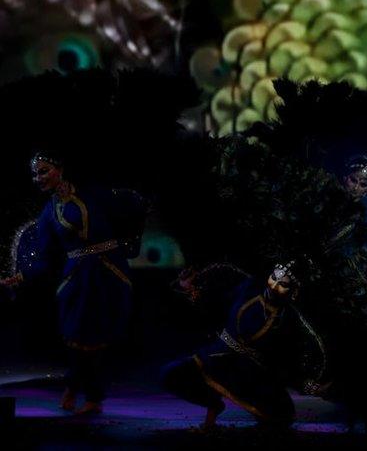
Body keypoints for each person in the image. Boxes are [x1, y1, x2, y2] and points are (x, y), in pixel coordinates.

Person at [1, 152, 145, 415]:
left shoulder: (94, 194)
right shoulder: (48, 213)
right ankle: (78, 388)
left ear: (60, 168)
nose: (38, 178)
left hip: (108, 273)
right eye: (35, 174)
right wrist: (21, 276)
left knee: (97, 339)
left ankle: (90, 397)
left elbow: (130, 210)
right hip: (77, 279)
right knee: (77, 337)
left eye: (43, 171)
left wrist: (127, 245)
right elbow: (45, 260)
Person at [161, 262, 327, 429]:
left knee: (280, 417)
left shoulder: (290, 319)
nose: (274, 286)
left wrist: (308, 383)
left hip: (249, 372)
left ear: (293, 291)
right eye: (274, 278)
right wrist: (192, 284)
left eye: (282, 284)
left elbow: (301, 354)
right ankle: (213, 404)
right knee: (171, 374)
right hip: (216, 355)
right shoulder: (251, 286)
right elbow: (223, 274)